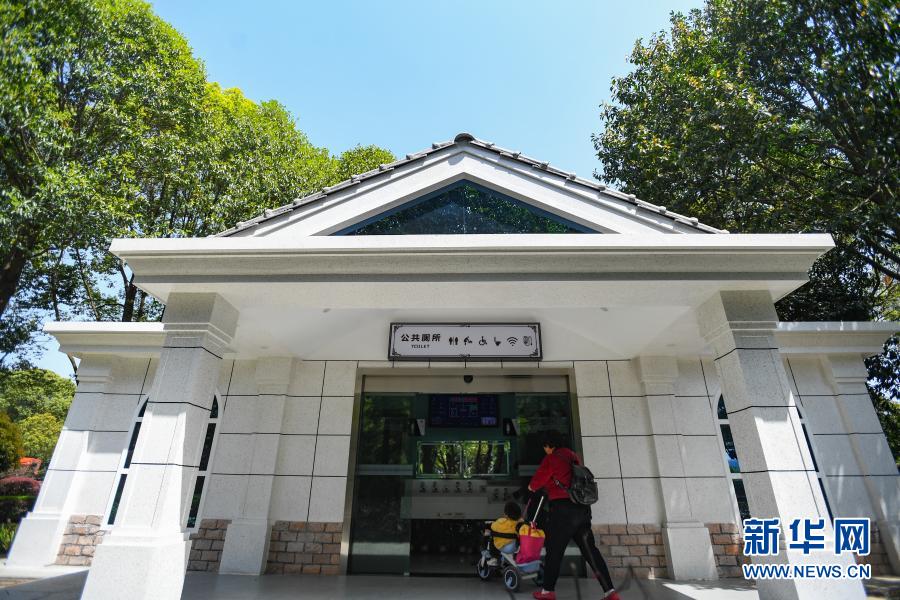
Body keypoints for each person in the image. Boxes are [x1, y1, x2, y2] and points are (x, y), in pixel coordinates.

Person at [528, 431, 619, 600]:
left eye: (545, 446)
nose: (545, 450)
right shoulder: (573, 456)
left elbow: (535, 484)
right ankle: (610, 592)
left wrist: (531, 487)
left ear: (549, 445)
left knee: (554, 551)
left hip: (562, 512)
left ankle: (547, 591)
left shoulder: (551, 458)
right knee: (590, 551)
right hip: (582, 510)